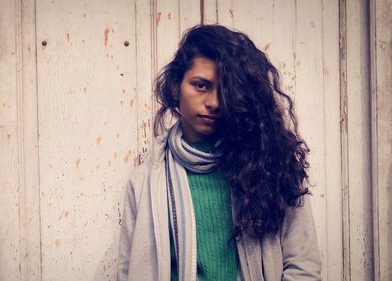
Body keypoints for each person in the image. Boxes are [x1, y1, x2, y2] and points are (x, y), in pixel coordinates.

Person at [116, 24, 321, 281]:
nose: (214, 102)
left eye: (226, 90)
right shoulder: (143, 181)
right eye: (201, 85)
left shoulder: (270, 164)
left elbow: (304, 266)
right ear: (175, 86)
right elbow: (127, 272)